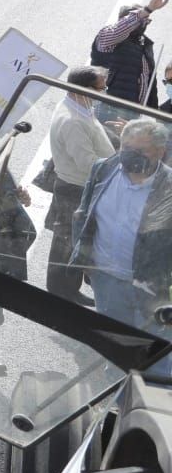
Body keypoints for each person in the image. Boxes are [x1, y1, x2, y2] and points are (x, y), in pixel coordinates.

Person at [67, 119, 172, 329]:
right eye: (126, 147)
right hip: (106, 280)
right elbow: (83, 213)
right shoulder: (103, 169)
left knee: (155, 354)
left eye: (141, 150)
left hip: (153, 289)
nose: (131, 154)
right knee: (114, 346)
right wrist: (83, 257)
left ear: (160, 152)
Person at [46, 66, 115, 303]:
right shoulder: (72, 119)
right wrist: (119, 167)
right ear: (82, 90)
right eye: (101, 88)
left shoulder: (80, 106)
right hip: (76, 188)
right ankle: (61, 292)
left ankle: (69, 286)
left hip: (82, 186)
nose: (104, 92)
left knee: (73, 239)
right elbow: (87, 162)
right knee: (67, 241)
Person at [91, 0, 165, 108]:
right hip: (109, 110)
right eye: (143, 20)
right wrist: (146, 10)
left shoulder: (144, 45)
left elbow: (150, 85)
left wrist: (152, 114)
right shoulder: (107, 38)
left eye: (147, 21)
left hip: (135, 115)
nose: (145, 24)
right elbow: (120, 29)